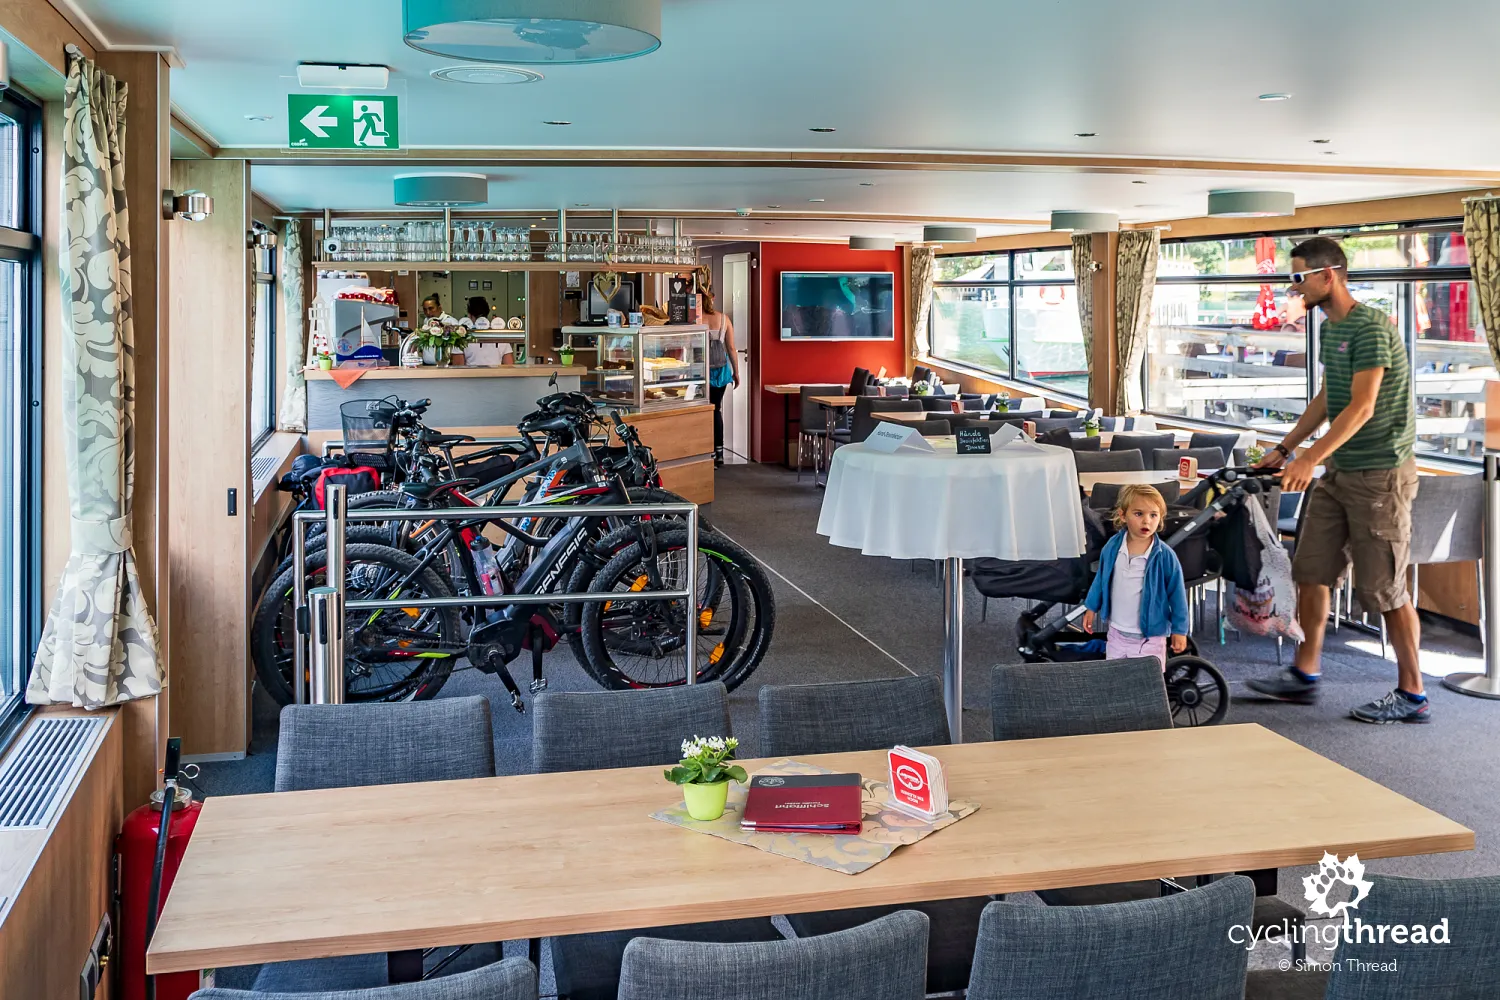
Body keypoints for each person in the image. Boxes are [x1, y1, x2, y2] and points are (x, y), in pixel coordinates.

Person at [1246, 236, 1425, 724]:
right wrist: (1285, 449)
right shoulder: (1329, 329)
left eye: (1299, 276)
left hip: (1380, 475)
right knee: (1311, 569)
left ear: (1330, 276)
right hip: (1340, 470)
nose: (1293, 286)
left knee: (1385, 589)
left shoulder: (1371, 328)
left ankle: (1412, 694)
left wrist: (1310, 458)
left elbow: (1363, 406)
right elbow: (1329, 396)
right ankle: (1305, 675)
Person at [1081, 484, 1189, 668]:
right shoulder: (1113, 547)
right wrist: (1091, 607)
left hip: (1149, 638)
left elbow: (1177, 594)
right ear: (1123, 515)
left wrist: (1180, 630)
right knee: (1114, 679)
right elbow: (1101, 579)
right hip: (1117, 632)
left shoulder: (1165, 556)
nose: (1146, 521)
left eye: (1153, 515)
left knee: (1146, 684)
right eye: (1139, 514)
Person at [701, 290, 740, 466]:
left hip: (702, 371)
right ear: (713, 299)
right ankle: (719, 453)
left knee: (701, 412)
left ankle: (703, 451)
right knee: (716, 410)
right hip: (722, 371)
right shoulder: (724, 319)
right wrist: (736, 372)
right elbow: (731, 347)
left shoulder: (695, 319)